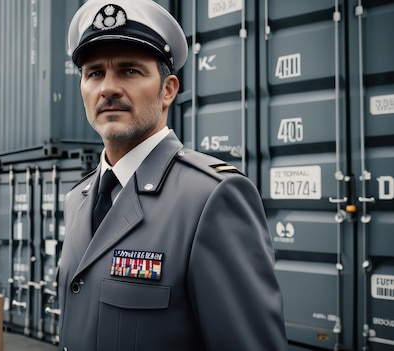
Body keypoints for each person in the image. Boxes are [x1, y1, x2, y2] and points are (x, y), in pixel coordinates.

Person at [57, 0, 287, 349]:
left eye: (130, 71)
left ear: (168, 91)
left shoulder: (211, 197)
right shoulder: (78, 199)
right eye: (94, 74)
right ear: (83, 90)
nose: (108, 88)